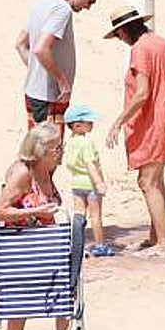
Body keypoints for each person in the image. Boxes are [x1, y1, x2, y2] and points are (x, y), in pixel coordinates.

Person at [0, 123, 92, 330]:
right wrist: (34, 212)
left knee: (63, 295)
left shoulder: (47, 169)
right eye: (55, 149)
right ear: (39, 151)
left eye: (60, 147)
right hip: (21, 248)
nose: (59, 153)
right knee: (20, 299)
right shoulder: (22, 173)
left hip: (47, 245)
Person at [104, 6, 165, 260]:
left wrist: (119, 121)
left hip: (155, 121)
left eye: (118, 35)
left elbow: (142, 92)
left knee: (147, 182)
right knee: (155, 179)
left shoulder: (140, 49)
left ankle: (163, 244)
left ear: (123, 30)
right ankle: (156, 236)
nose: (120, 39)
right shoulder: (159, 42)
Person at [15, 0, 103, 135]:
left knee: (34, 150)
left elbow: (20, 44)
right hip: (49, 96)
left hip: (35, 93)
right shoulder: (63, 10)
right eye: (90, 0)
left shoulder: (43, 2)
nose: (88, 7)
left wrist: (37, 71)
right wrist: (61, 81)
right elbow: (41, 49)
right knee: (48, 153)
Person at [64, 103, 113, 256]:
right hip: (90, 184)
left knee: (79, 215)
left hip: (76, 183)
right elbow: (90, 164)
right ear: (77, 125)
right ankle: (100, 245)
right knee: (95, 216)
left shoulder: (70, 142)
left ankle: (77, 244)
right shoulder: (86, 142)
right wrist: (99, 183)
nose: (92, 125)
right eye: (89, 122)